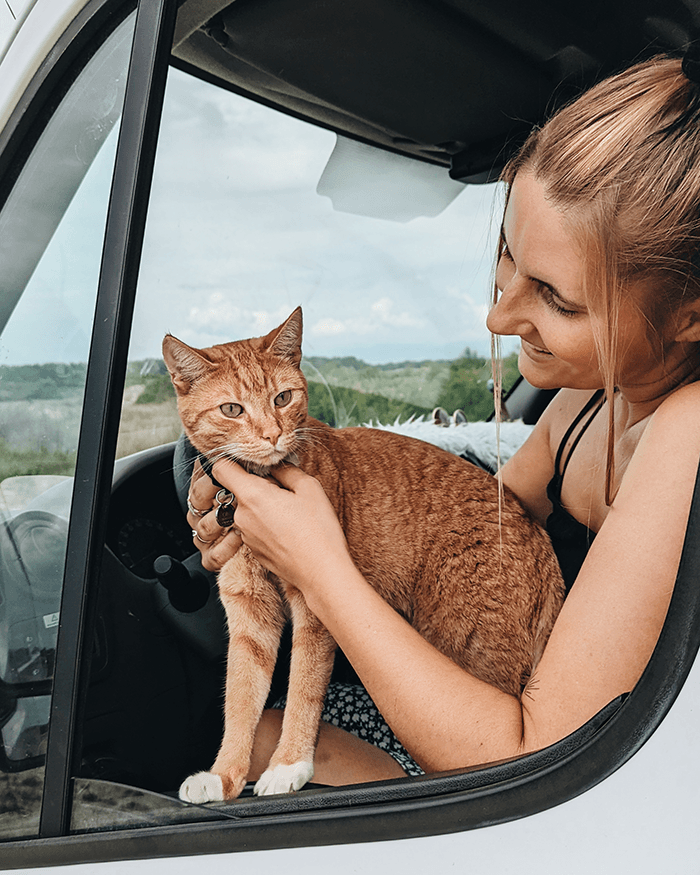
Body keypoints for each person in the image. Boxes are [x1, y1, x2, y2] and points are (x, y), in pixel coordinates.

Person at [186, 53, 700, 785]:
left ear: (690, 314)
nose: (497, 314)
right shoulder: (587, 400)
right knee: (260, 733)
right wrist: (300, 513)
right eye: (506, 258)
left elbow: (531, 760)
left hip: (549, 774)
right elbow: (481, 519)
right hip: (503, 705)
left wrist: (321, 566)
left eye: (555, 298)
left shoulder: (684, 432)